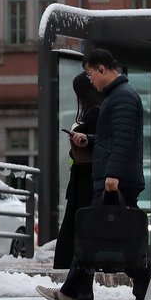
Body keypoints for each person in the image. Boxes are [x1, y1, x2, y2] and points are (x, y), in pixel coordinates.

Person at [41, 49, 151, 300]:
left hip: (118, 181)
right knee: (113, 237)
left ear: (103, 69)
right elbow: (112, 139)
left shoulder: (123, 98)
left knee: (101, 236)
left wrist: (112, 176)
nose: (90, 80)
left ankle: (72, 292)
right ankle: (142, 296)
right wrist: (88, 140)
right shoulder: (117, 96)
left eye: (91, 74)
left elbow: (123, 142)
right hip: (116, 178)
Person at [52, 71, 101, 268]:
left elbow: (101, 143)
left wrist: (82, 138)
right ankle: (75, 277)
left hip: (86, 181)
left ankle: (70, 273)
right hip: (85, 180)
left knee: (78, 229)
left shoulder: (95, 112)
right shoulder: (101, 110)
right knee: (79, 229)